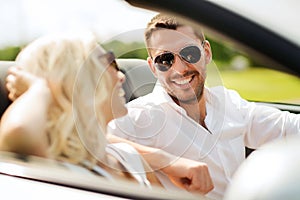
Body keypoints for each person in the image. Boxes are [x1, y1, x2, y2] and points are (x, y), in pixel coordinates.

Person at [107, 13, 300, 200]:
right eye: (165, 59)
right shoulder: (140, 116)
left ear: (206, 52)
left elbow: (289, 127)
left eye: (189, 53)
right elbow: (92, 140)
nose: (179, 69)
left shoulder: (229, 102)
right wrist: (168, 162)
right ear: (153, 67)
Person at [0, 32, 162, 188]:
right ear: (77, 82)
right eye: (109, 62)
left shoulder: (129, 156)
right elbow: (19, 130)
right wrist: (39, 88)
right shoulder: (57, 171)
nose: (122, 76)